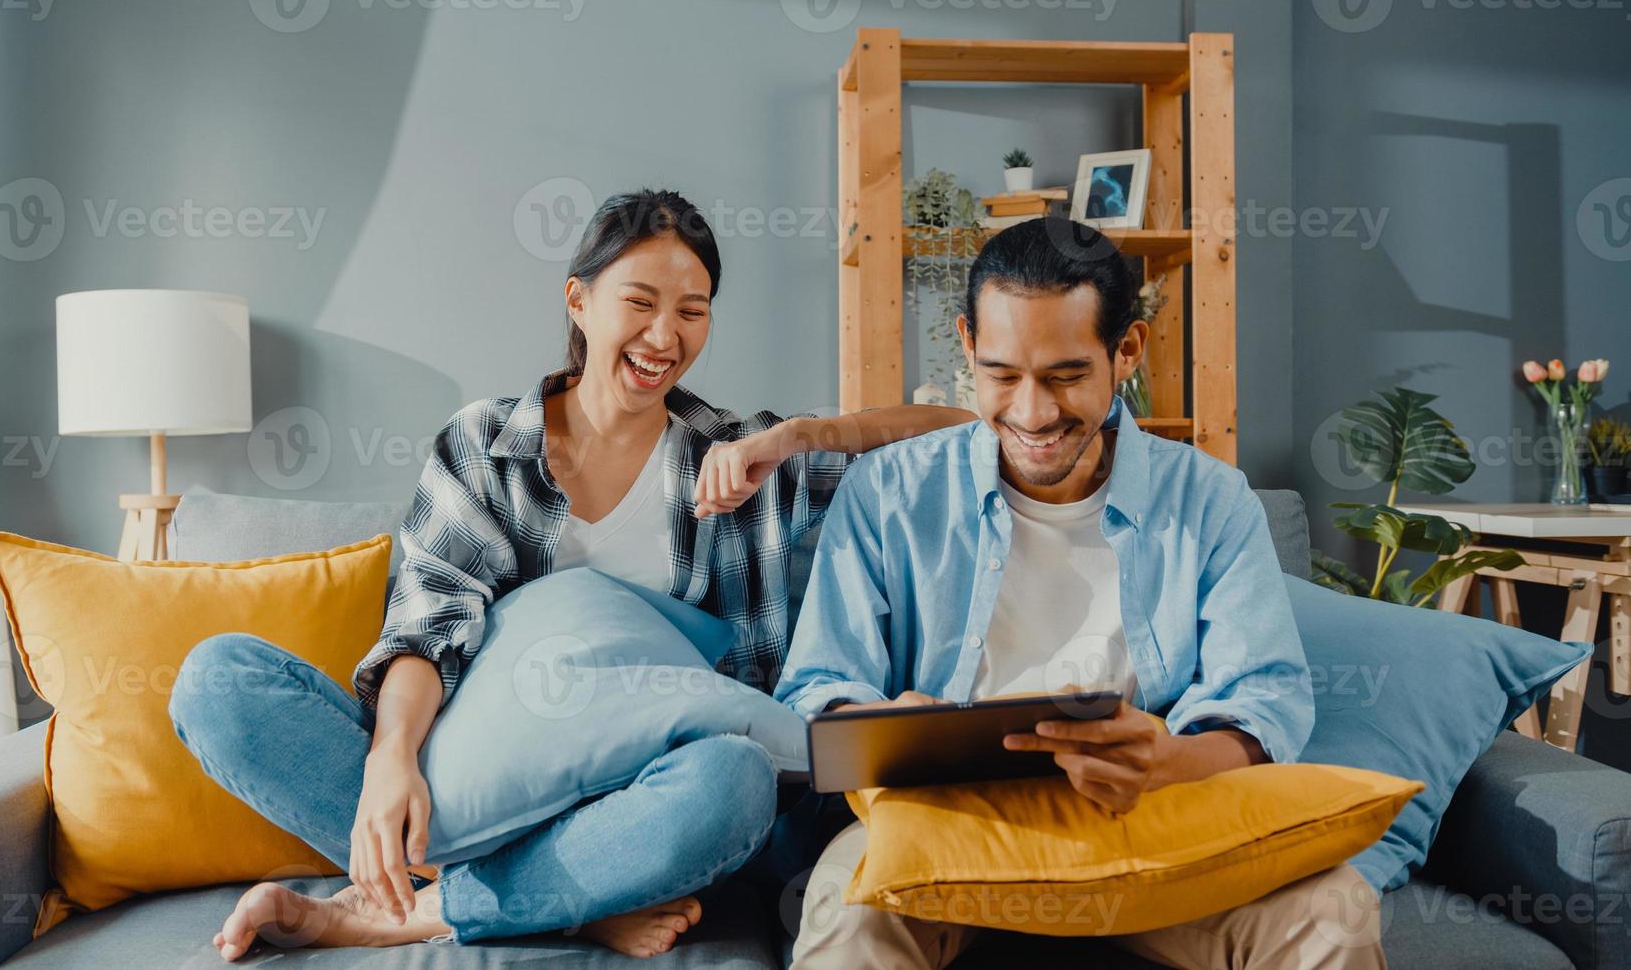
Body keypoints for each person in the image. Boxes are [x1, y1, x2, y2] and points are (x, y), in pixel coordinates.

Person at [168, 189, 973, 961]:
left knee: (736, 781)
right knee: (217, 680)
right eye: (640, 302)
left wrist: (801, 433)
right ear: (579, 301)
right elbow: (425, 626)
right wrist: (391, 760)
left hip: (648, 799)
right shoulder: (485, 445)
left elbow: (965, 435)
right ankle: (574, 903)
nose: (665, 335)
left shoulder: (744, 459)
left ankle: (428, 910)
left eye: (692, 312)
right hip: (479, 782)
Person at [775, 217, 1381, 968]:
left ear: (1125, 351)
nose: (1032, 415)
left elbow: (1262, 702)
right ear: (967, 344)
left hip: (1153, 823)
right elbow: (816, 688)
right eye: (1001, 375)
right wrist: (891, 727)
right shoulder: (889, 492)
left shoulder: (1212, 500)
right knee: (847, 914)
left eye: (1065, 376)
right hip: (944, 827)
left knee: (1335, 910)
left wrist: (1166, 760)